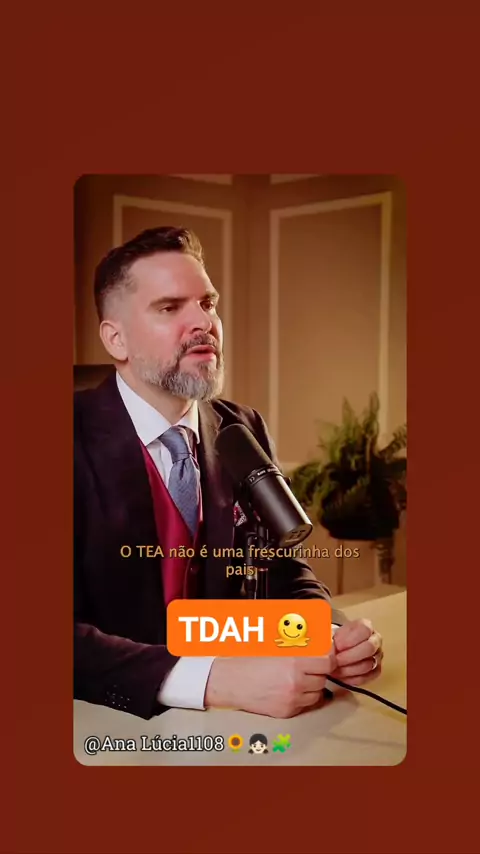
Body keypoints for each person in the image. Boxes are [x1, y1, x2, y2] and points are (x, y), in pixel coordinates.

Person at [74, 226, 383, 721]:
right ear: (116, 338)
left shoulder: (242, 427)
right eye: (170, 307)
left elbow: (281, 569)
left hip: (241, 725)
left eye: (208, 303)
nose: (204, 322)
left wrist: (325, 635)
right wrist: (211, 681)